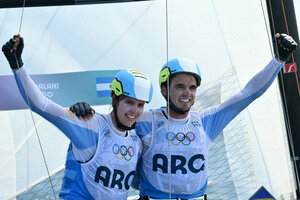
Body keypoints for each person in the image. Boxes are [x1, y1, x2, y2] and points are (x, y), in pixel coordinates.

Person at [69, 33, 297, 200]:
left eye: (192, 87)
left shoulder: (206, 121)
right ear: (165, 90)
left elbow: (248, 93)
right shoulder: (146, 120)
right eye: (179, 86)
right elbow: (111, 124)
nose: (187, 93)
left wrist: (279, 59)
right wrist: (83, 112)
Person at [2, 34, 153, 200]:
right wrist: (17, 65)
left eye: (140, 105)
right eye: (129, 102)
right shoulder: (90, 126)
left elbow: (137, 182)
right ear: (115, 99)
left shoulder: (136, 141)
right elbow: (41, 104)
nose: (135, 111)